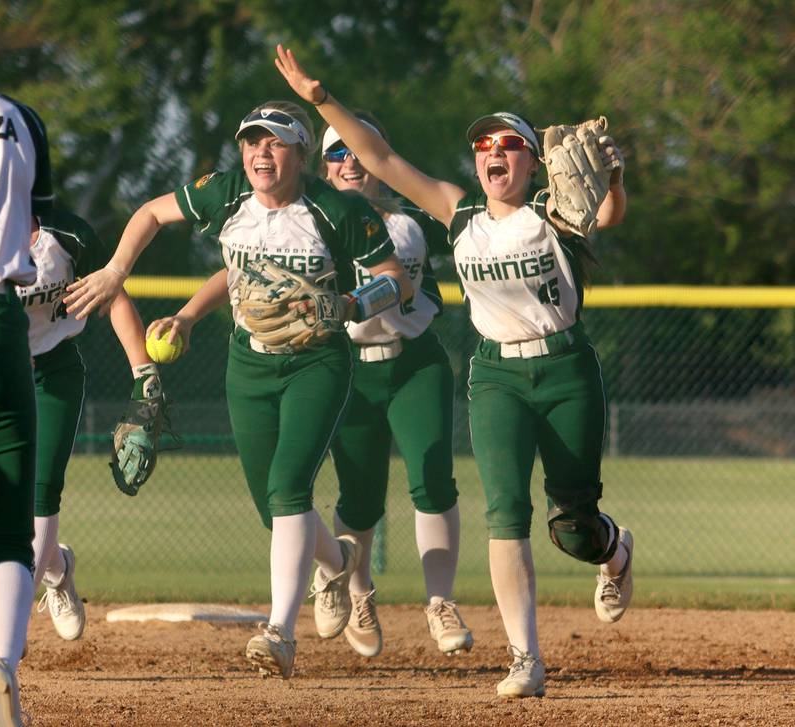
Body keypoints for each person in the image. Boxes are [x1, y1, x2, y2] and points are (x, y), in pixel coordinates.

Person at [275, 45, 633, 698]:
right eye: (483, 144)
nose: (493, 151)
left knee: (572, 527)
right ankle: (525, 656)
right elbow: (380, 160)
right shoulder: (459, 213)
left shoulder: (554, 213)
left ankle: (613, 551)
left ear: (533, 159)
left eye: (509, 143)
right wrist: (320, 98)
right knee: (506, 512)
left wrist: (611, 182)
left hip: (567, 371)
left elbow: (605, 216)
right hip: (496, 377)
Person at [63, 100, 413, 680]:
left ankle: (279, 632)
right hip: (248, 366)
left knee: (287, 487)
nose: (260, 152)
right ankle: (338, 561)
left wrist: (352, 303)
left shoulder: (335, 209)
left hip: (315, 363)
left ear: (300, 154)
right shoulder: (226, 195)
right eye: (251, 142)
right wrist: (145, 289)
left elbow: (395, 282)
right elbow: (153, 215)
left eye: (274, 142)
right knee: (272, 508)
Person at [315, 113, 471, 657]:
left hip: (415, 363)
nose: (350, 162)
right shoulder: (310, 224)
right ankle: (359, 594)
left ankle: (440, 603)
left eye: (359, 152)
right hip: (350, 371)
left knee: (433, 478)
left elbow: (478, 231)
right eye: (337, 153)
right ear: (322, 167)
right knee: (359, 498)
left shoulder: (416, 220)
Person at [16, 209, 162, 643]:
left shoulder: (66, 234)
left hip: (52, 372)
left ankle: (11, 622)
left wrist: (144, 373)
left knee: (42, 492)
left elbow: (114, 297)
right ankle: (56, 567)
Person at [0, 92, 54, 727]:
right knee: (10, 528)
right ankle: (1, 666)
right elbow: (35, 215)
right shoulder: (17, 116)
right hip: (2, 319)